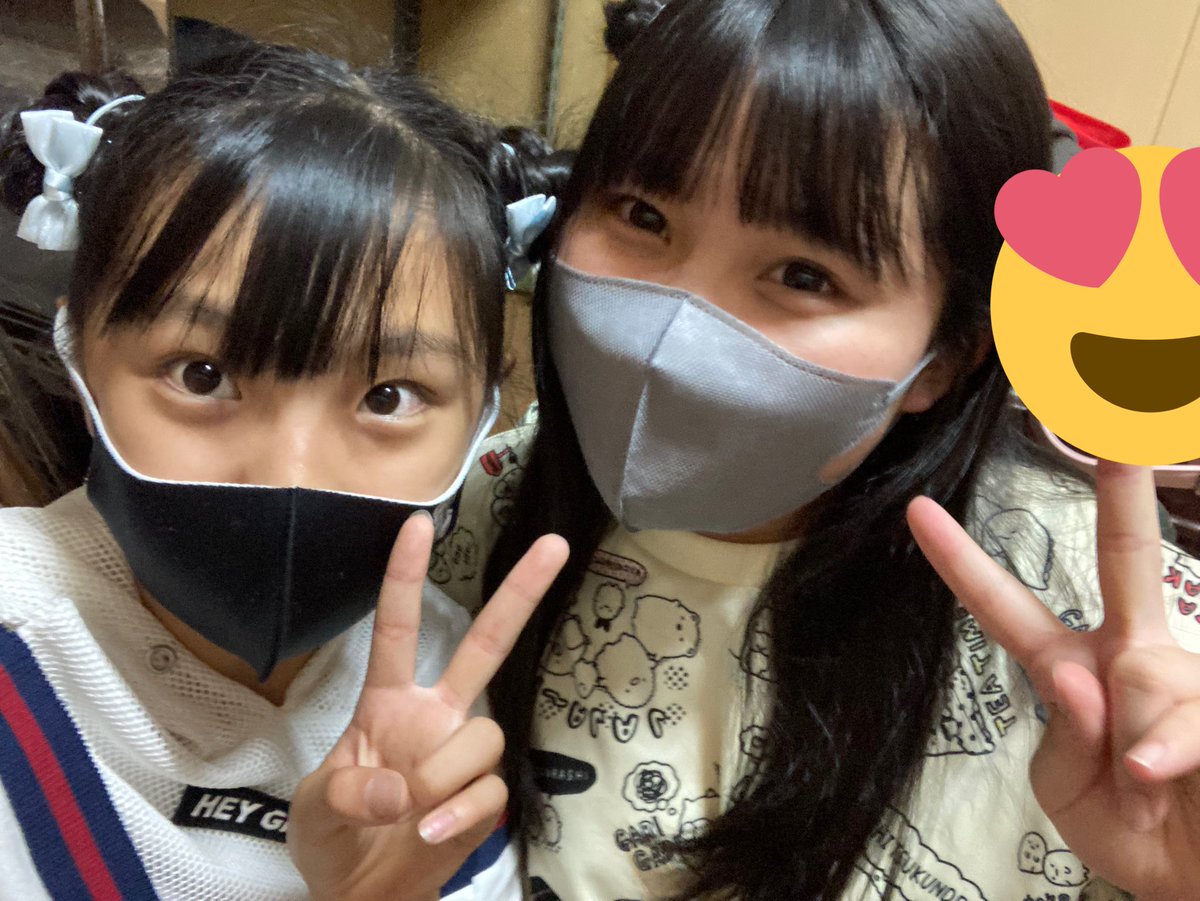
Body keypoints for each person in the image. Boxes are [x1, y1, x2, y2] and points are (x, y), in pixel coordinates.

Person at [287, 1, 1200, 899]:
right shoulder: (461, 519)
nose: (672, 335)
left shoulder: (1112, 643)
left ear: (949, 354)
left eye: (805, 275)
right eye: (642, 214)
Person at [0, 45, 568, 899]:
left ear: (483, 411)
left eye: (388, 395)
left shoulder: (446, 682)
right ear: (79, 355)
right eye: (201, 374)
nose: (288, 471)